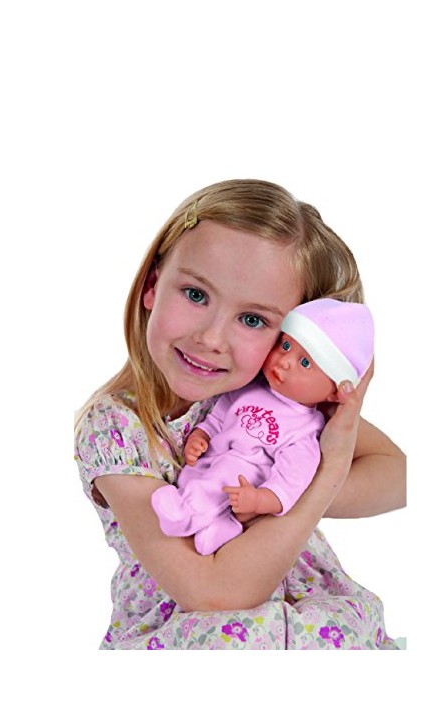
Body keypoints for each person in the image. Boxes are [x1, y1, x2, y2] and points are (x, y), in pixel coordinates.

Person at [74, 179, 406, 649]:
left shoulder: (270, 395)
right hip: (198, 634)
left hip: (312, 622)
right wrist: (328, 471)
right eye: (195, 294)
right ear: (152, 286)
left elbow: (400, 475)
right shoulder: (116, 428)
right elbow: (215, 594)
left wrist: (279, 492)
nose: (211, 339)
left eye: (252, 320)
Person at [151, 298, 375, 556]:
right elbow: (217, 419)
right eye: (285, 345)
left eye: (305, 363)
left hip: (241, 480)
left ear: (334, 393)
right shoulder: (248, 389)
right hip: (211, 463)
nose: (285, 361)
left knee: (226, 473)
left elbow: (289, 484)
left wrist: (259, 500)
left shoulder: (305, 431)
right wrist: (200, 436)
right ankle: (219, 527)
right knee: (197, 476)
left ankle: (184, 514)